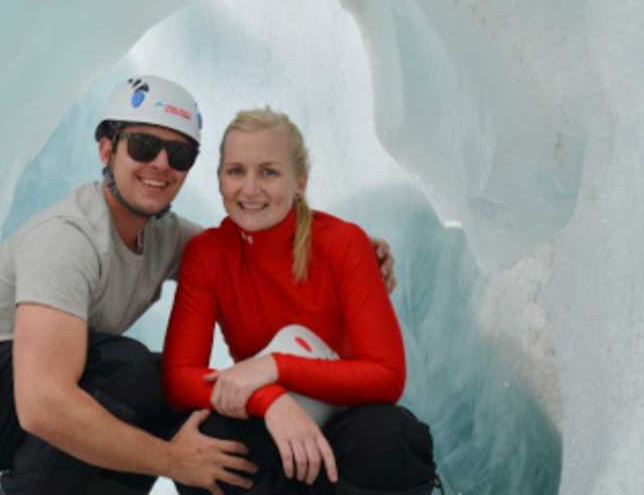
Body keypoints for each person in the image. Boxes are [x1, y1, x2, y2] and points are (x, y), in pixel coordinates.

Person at [0, 78, 397, 495]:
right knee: (129, 374)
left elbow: (253, 251)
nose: (160, 163)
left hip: (26, 389)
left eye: (178, 153)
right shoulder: (67, 240)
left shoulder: (164, 235)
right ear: (106, 150)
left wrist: (352, 253)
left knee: (181, 395)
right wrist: (172, 461)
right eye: (143, 146)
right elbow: (43, 405)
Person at [162, 107, 438, 495]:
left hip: (348, 424)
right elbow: (178, 379)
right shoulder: (207, 254)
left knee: (389, 436)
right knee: (211, 440)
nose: (250, 189)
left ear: (300, 182)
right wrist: (271, 399)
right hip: (271, 427)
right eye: (236, 171)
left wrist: (275, 366)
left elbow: (387, 376)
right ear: (220, 180)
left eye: (268, 172)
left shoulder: (343, 244)